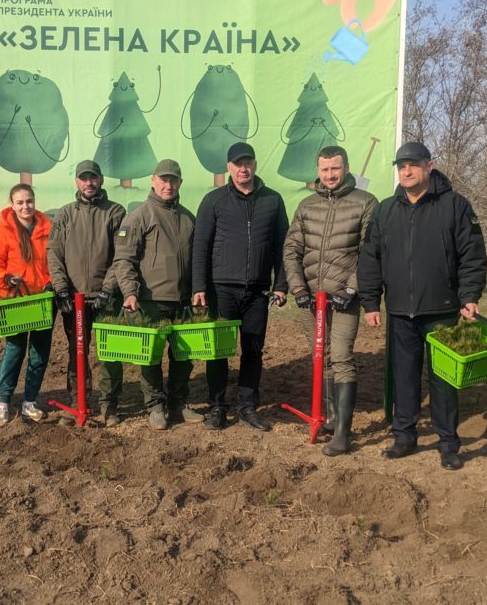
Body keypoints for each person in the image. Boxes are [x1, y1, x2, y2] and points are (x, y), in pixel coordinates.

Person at [358, 142, 486, 470]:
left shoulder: (454, 206)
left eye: (413, 165)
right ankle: (404, 436)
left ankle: (448, 442)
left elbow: (472, 255)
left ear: (430, 166)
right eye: (401, 166)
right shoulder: (385, 210)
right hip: (400, 309)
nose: (406, 171)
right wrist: (371, 301)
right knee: (404, 376)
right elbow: (371, 259)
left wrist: (469, 296)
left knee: (443, 379)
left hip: (443, 308)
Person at [283, 146, 378, 454]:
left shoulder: (365, 203)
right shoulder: (307, 205)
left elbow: (370, 252)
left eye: (335, 169)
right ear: (318, 170)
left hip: (343, 298)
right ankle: (330, 415)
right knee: (320, 358)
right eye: (324, 170)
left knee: (340, 356)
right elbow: (291, 248)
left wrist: (351, 290)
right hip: (312, 298)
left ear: (346, 167)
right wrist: (298, 289)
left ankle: (343, 433)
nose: (330, 175)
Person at [192, 142, 289, 432]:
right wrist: (199, 286)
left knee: (253, 349)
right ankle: (218, 408)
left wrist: (281, 284)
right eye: (237, 164)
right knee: (218, 351)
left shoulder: (273, 200)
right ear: (229, 168)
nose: (243, 168)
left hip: (258, 290)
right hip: (222, 289)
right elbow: (201, 247)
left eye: (247, 162)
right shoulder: (214, 201)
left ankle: (247, 407)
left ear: (255, 165)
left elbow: (282, 247)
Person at [113, 159, 198, 430]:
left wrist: (198, 290)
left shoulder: (188, 217)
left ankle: (179, 403)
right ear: (152, 180)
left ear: (180, 183)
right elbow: (123, 260)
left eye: (173, 180)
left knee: (183, 356)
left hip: (183, 300)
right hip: (151, 300)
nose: (168, 184)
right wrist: (129, 292)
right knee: (150, 356)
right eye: (163, 179)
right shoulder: (138, 216)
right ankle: (155, 406)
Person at [47, 160, 127, 426]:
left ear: (101, 180)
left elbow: (121, 256)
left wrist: (108, 289)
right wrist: (61, 289)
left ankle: (109, 405)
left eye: (93, 178)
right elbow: (55, 254)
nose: (89, 183)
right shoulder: (65, 214)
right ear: (77, 182)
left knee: (109, 352)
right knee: (76, 351)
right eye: (83, 178)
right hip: (74, 299)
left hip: (105, 296)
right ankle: (78, 402)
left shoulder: (115, 212)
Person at [0, 183, 53, 426]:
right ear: (12, 204)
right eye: (20, 202)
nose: (26, 206)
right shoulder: (3, 232)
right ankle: (3, 401)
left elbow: (55, 261)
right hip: (14, 301)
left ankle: (30, 401)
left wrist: (51, 282)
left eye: (29, 201)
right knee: (14, 350)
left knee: (39, 352)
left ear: (35, 201)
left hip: (42, 301)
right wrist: (5, 278)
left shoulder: (47, 228)